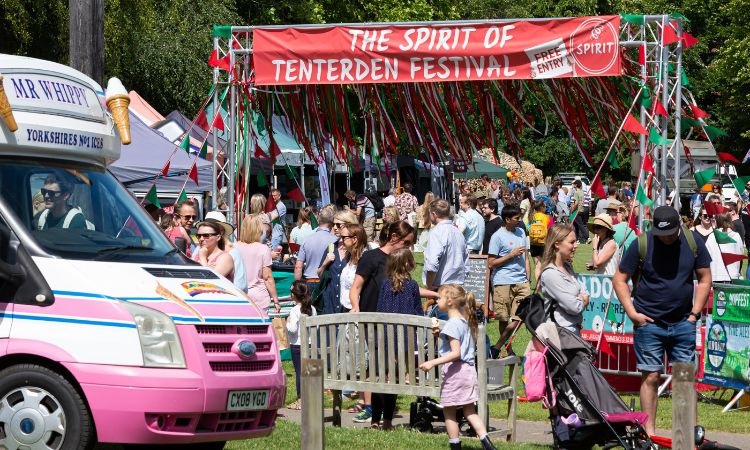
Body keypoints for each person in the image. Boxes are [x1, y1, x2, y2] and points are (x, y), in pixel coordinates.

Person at [613, 206, 711, 436]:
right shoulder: (642, 243)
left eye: (670, 232)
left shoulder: (693, 241)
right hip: (649, 323)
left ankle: (684, 436)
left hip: (683, 323)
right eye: (661, 233)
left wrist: (694, 314)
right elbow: (619, 279)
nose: (666, 237)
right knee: (651, 376)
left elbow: (705, 279)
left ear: (679, 224)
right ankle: (649, 434)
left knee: (683, 379)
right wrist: (632, 313)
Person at [348, 221, 416, 423]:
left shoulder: (400, 260)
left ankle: (382, 418)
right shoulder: (372, 258)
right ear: (394, 237)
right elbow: (356, 287)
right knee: (378, 370)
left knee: (390, 371)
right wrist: (355, 308)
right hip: (373, 323)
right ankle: (374, 412)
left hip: (393, 328)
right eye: (407, 242)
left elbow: (408, 289)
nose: (409, 247)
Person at [419, 285, 498, 450]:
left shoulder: (452, 324)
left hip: (456, 372)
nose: (436, 301)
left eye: (439, 298)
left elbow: (456, 353)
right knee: (470, 411)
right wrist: (440, 335)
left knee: (449, 411)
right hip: (468, 371)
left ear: (449, 301)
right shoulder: (463, 321)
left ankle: (455, 446)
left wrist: (433, 362)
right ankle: (487, 443)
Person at [372, 248, 431, 430]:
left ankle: (375, 420)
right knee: (395, 378)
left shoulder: (384, 284)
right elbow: (417, 313)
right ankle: (388, 421)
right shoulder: (412, 286)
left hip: (385, 338)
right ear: (408, 264)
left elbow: (380, 310)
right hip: (405, 339)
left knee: (383, 376)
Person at [487, 204, 530, 356]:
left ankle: (497, 346)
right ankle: (509, 350)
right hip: (502, 281)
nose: (519, 221)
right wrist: (510, 255)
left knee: (522, 316)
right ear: (507, 219)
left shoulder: (521, 232)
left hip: (522, 281)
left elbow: (525, 257)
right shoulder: (497, 236)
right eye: (516, 218)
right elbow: (491, 263)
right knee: (503, 318)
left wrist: (528, 277)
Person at [539, 224, 590, 335]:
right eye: (571, 242)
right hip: (560, 334)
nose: (576, 246)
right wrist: (581, 299)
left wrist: (580, 298)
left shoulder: (567, 267)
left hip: (574, 332)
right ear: (557, 244)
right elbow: (574, 307)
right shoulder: (550, 274)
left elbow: (585, 292)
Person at [318, 210, 360, 315]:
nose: (334, 228)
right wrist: (325, 263)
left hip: (349, 306)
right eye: (333, 224)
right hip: (330, 304)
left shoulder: (358, 250)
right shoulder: (332, 247)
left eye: (338, 225)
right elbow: (319, 273)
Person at [236, 213, 280, 311]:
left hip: (239, 295)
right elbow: (267, 277)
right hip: (259, 297)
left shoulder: (234, 247)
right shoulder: (263, 249)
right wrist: (276, 300)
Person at [294, 205, 338, 300]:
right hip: (327, 283)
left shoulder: (307, 240)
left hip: (309, 282)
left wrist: (297, 287)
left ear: (318, 221)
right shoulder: (335, 241)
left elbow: (298, 266)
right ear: (332, 223)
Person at [424, 199, 467, 291]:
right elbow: (466, 262)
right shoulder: (458, 232)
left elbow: (432, 264)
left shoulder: (436, 233)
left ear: (434, 214)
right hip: (457, 287)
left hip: (440, 288)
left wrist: (429, 286)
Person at [285, 280, 315, 410]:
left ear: (294, 294)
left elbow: (292, 329)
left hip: (297, 345)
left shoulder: (294, 310)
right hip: (310, 344)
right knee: (308, 372)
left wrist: (287, 322)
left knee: (299, 372)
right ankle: (310, 398)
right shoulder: (312, 308)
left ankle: (300, 399)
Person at [528, 199, 552, 283]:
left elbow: (528, 229)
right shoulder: (547, 218)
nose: (546, 208)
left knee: (537, 265)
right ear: (542, 207)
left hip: (533, 243)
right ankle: (545, 284)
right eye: (545, 206)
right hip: (544, 243)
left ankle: (538, 285)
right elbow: (551, 230)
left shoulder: (531, 217)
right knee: (546, 265)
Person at [714, 213, 744, 280]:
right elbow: (740, 253)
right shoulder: (736, 236)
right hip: (732, 274)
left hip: (718, 275)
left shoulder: (713, 235)